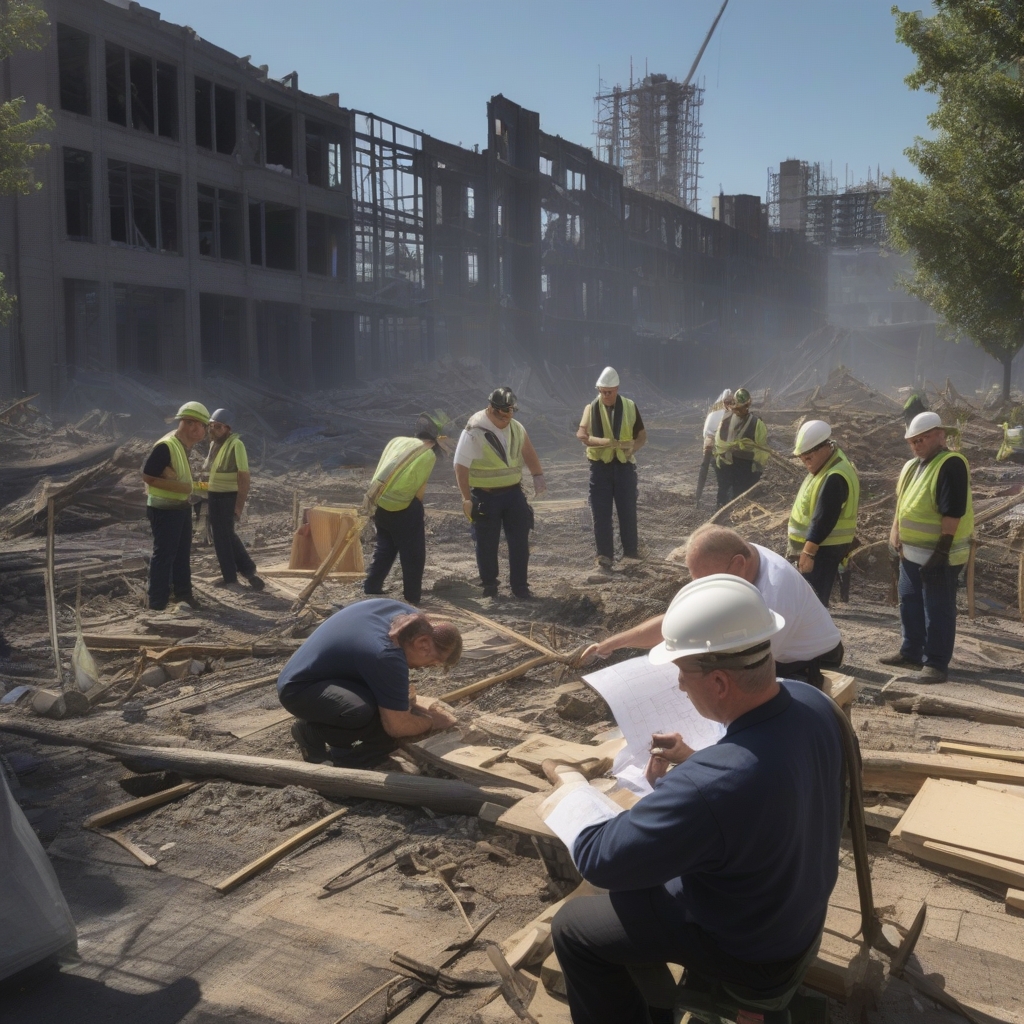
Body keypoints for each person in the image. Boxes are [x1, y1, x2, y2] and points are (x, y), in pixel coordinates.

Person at [545, 575, 844, 1024]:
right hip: (795, 911)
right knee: (643, 881)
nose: (681, 687)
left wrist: (571, 790)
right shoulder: (810, 701)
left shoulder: (714, 782)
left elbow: (600, 859)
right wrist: (694, 759)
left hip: (750, 949)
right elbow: (759, 777)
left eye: (682, 675)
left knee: (574, 928)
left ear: (720, 682)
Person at [582, 524, 843, 688]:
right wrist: (613, 643)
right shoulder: (740, 560)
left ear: (738, 564)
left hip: (811, 659)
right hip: (777, 649)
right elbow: (679, 621)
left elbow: (751, 669)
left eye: (707, 581)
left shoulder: (774, 596)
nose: (702, 588)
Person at [277, 600, 461, 768]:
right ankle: (318, 736)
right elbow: (397, 727)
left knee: (381, 710)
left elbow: (391, 687)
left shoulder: (408, 618)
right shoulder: (387, 653)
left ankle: (341, 744)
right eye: (432, 662)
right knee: (368, 720)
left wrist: (416, 707)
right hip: (299, 690)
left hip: (318, 672)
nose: (425, 667)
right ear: (423, 644)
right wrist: (431, 722)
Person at [881, 411, 973, 684]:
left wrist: (942, 551)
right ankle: (911, 651)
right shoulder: (912, 466)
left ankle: (935, 663)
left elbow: (952, 513)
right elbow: (902, 503)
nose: (916, 445)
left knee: (938, 609)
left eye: (922, 439)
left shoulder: (951, 464)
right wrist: (894, 534)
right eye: (912, 441)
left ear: (940, 436)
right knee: (909, 602)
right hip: (909, 553)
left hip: (939, 557)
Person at [454, 387, 546, 599]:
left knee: (520, 541)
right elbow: (460, 466)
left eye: (509, 415)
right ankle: (489, 586)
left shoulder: (516, 427)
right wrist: (466, 498)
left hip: (513, 494)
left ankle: (520, 587)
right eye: (501, 416)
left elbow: (528, 450)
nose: (505, 420)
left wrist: (538, 475)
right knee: (486, 543)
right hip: (486, 496)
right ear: (490, 409)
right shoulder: (474, 430)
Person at [364, 413, 446, 605]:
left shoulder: (397, 441)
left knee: (386, 545)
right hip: (403, 508)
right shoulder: (427, 453)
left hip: (380, 503)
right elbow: (419, 489)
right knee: (413, 554)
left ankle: (372, 585)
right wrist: (416, 510)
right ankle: (412, 596)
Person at [141, 401, 210, 611]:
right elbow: (147, 476)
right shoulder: (166, 446)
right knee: (164, 555)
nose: (204, 431)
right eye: (202, 426)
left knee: (181, 554)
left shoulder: (181, 446)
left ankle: (183, 595)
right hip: (164, 509)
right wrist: (181, 487)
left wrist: (191, 487)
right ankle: (157, 603)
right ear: (190, 425)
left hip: (179, 507)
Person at [576, 367, 647, 570]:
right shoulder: (591, 408)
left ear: (617, 389)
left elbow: (642, 435)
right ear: (598, 389)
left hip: (624, 467)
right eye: (602, 391)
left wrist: (633, 448)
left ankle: (630, 553)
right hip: (600, 468)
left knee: (627, 511)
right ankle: (604, 556)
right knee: (601, 513)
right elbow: (581, 435)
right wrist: (600, 442)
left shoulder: (630, 407)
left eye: (609, 392)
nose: (606, 395)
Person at [788, 419, 860, 607]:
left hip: (821, 551)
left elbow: (824, 518)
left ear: (823, 448)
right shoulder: (829, 464)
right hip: (821, 549)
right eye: (802, 459)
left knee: (812, 605)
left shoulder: (834, 477)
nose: (806, 464)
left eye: (808, 458)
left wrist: (808, 552)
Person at [202, 409, 264, 592]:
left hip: (227, 498)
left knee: (224, 537)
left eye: (217, 427)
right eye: (211, 426)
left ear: (228, 428)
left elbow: (243, 478)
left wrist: (239, 505)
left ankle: (238, 575)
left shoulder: (236, 445)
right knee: (223, 537)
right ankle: (240, 573)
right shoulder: (214, 445)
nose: (213, 430)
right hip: (214, 496)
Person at [713, 387, 768, 507]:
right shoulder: (726, 419)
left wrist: (756, 466)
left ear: (747, 406)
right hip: (725, 463)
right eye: (736, 408)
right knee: (724, 492)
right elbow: (719, 441)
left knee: (741, 496)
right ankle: (720, 510)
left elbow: (761, 448)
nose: (738, 411)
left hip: (744, 467)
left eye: (741, 408)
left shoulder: (757, 423)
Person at [696, 389, 733, 505]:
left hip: (711, 447)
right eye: (730, 402)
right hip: (715, 449)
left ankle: (699, 497)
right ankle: (721, 503)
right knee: (723, 479)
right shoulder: (721, 413)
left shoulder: (715, 410)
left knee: (707, 472)